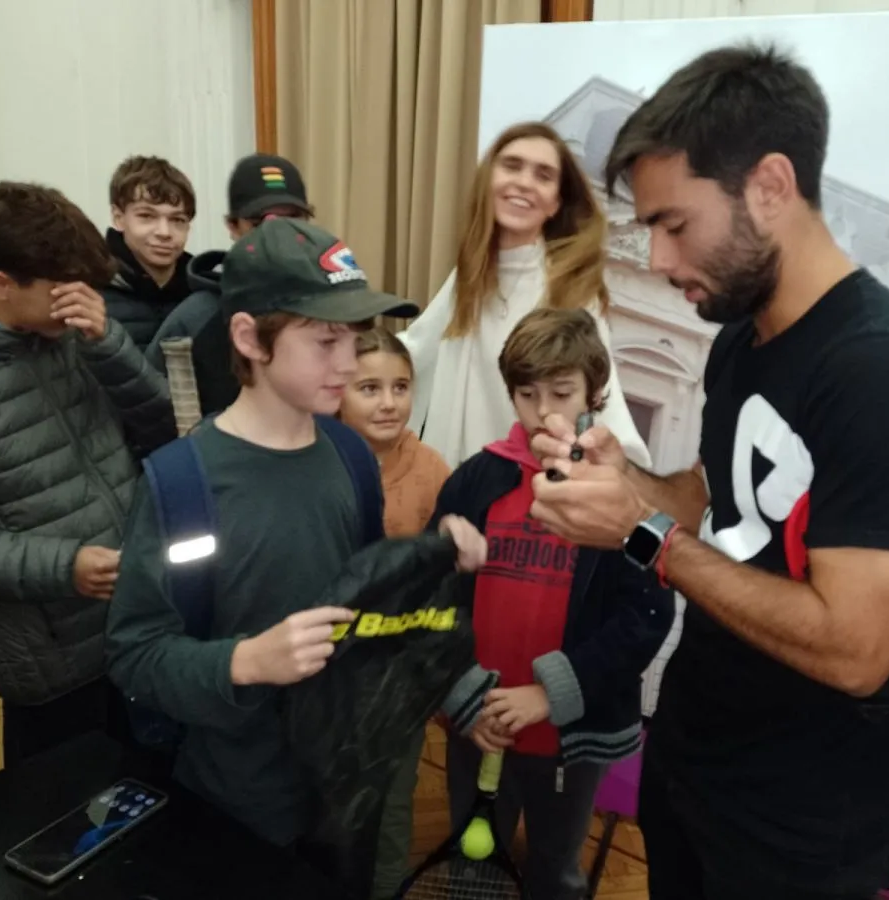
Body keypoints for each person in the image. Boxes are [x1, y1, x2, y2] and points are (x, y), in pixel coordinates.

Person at [527, 44, 889, 900]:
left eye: (675, 224)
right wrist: (623, 478)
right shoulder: (744, 339)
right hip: (694, 767)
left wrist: (638, 532)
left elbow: (856, 651)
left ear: (771, 186)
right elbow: (717, 500)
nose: (658, 259)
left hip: (802, 830)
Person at [105, 217, 487, 861]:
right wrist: (245, 662)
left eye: (355, 338)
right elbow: (136, 655)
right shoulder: (181, 484)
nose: (350, 362)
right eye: (326, 341)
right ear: (249, 337)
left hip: (343, 786)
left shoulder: (350, 455)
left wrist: (429, 555)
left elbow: (365, 601)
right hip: (236, 800)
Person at [0, 181, 176, 767]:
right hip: (51, 656)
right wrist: (63, 567)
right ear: (0, 285)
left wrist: (111, 346)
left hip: (135, 619)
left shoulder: (72, 336)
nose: (80, 301)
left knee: (152, 789)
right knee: (62, 802)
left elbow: (164, 430)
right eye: (62, 289)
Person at [435, 307, 674, 900]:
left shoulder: (626, 496)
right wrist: (463, 693)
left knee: (555, 870)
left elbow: (646, 617)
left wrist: (549, 695)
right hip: (479, 724)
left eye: (562, 393)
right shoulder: (473, 480)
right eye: (527, 394)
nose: (544, 412)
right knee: (470, 865)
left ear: (595, 391)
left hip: (569, 741)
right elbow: (430, 600)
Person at [400, 121, 651, 471]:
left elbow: (598, 394)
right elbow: (412, 355)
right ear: (489, 180)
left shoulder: (572, 290)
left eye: (543, 175)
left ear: (555, 203)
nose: (524, 183)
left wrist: (623, 468)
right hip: (461, 483)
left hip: (529, 489)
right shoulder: (469, 276)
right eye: (512, 166)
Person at [338, 325, 451, 899]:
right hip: (326, 674)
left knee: (392, 802)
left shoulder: (432, 470)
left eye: (401, 387)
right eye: (370, 388)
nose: (388, 402)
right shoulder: (318, 458)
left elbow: (443, 579)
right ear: (338, 391)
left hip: (399, 678)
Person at [144, 153, 316, 417]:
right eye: (258, 223)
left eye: (292, 219)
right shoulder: (196, 318)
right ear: (233, 227)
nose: (276, 234)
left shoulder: (330, 303)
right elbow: (151, 416)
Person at [101, 155, 197, 348]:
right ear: (118, 218)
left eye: (177, 220)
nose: (164, 232)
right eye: (146, 216)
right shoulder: (91, 289)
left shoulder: (203, 292)